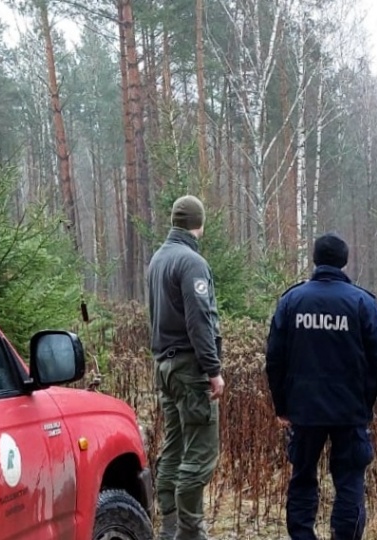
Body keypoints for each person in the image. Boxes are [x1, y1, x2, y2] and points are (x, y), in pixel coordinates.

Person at [265, 233, 377, 540]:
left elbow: (274, 358)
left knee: (302, 478)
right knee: (350, 480)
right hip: (350, 410)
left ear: (315, 259)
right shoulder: (362, 302)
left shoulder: (292, 301)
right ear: (344, 260)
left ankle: (302, 536)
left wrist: (281, 405)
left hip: (304, 409)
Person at [147, 195, 224, 540]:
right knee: (200, 452)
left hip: (165, 367)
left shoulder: (158, 259)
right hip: (190, 370)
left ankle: (169, 527)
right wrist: (213, 369)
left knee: (174, 447)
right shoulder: (191, 262)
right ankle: (191, 533)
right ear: (198, 222)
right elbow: (199, 321)